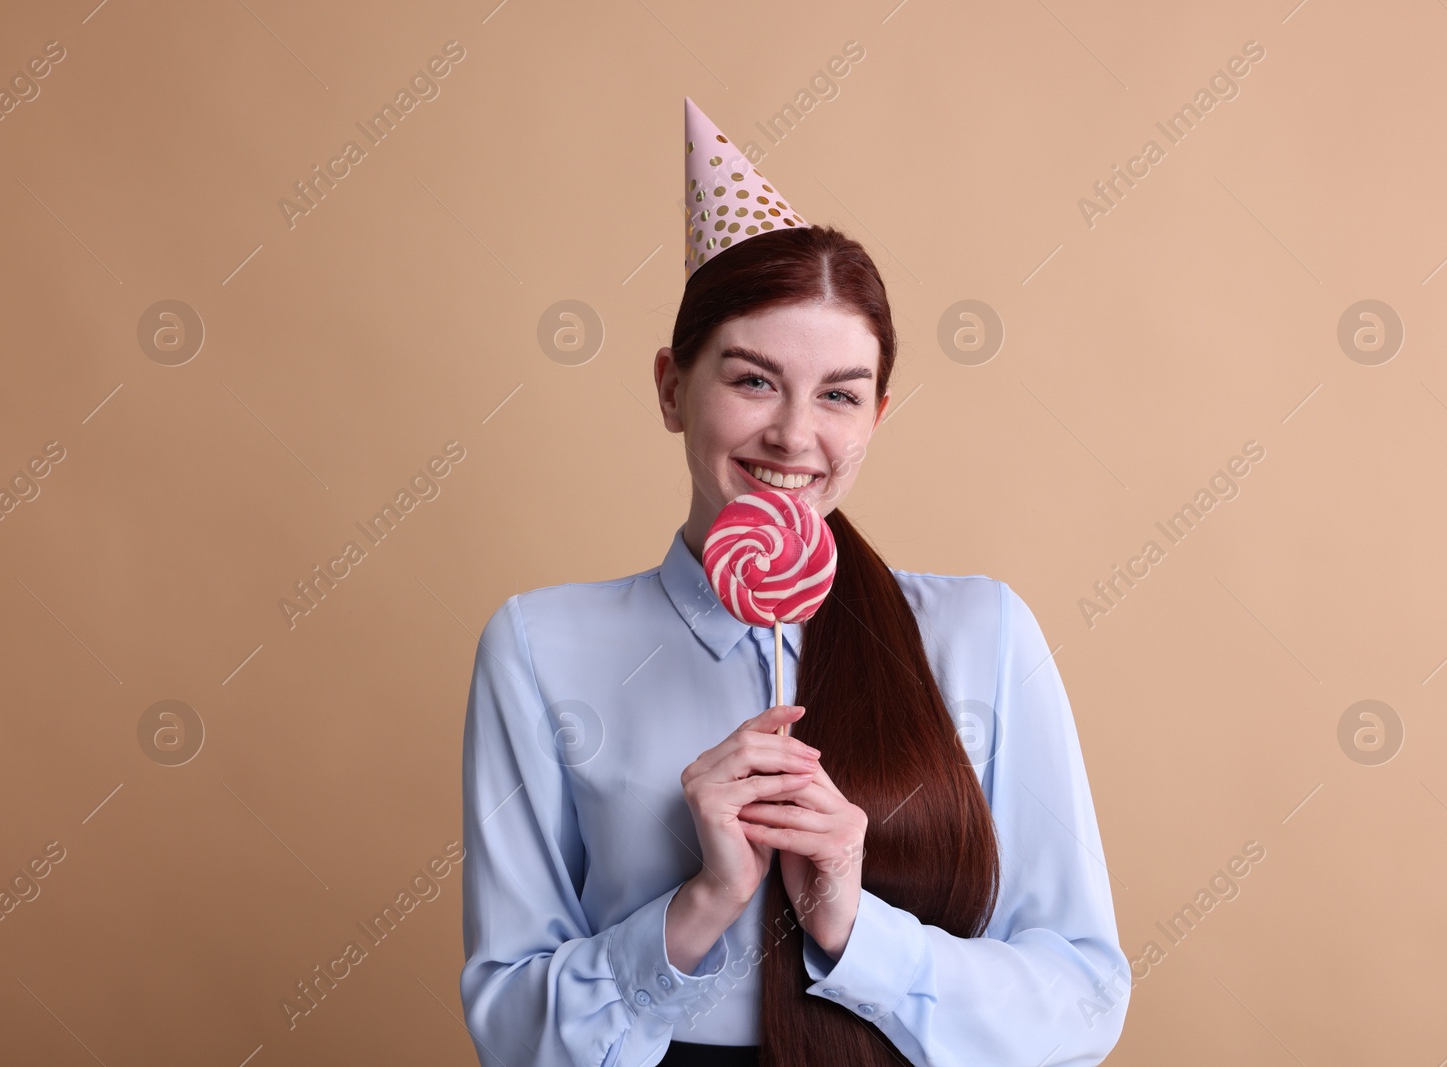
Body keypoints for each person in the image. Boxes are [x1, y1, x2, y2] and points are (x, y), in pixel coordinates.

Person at [458, 100, 1129, 1067]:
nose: (794, 436)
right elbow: (515, 1036)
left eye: (840, 394)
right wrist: (701, 904)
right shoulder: (538, 643)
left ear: (877, 417)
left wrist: (854, 925)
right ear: (668, 387)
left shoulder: (981, 632)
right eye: (754, 380)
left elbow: (1081, 1001)